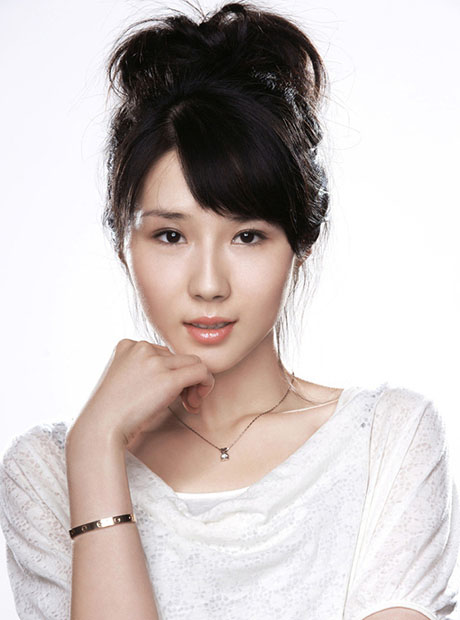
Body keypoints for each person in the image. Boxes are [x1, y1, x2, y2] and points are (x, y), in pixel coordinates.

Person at [0, 1, 459, 619]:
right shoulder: (48, 475)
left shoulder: (388, 442)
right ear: (123, 243)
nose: (209, 284)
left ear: (300, 245)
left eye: (247, 236)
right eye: (170, 236)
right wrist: (95, 449)